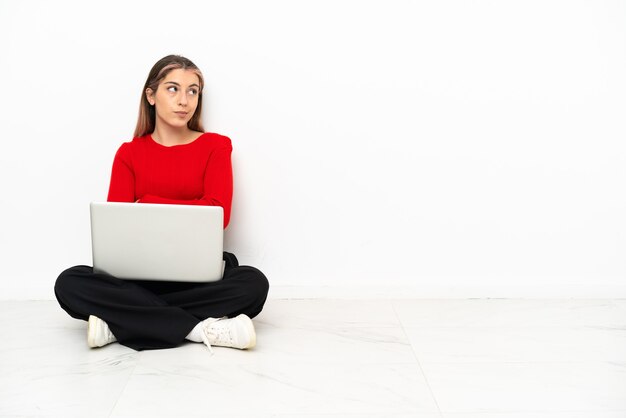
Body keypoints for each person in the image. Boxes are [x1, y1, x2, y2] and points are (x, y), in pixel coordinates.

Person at [54, 55, 269, 353]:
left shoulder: (215, 146)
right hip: (139, 278)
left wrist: (148, 202)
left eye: (193, 91)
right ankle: (200, 329)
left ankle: (119, 323)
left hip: (198, 277)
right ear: (151, 95)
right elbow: (118, 224)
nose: (184, 100)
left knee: (253, 284)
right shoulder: (129, 153)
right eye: (173, 89)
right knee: (69, 282)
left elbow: (218, 213)